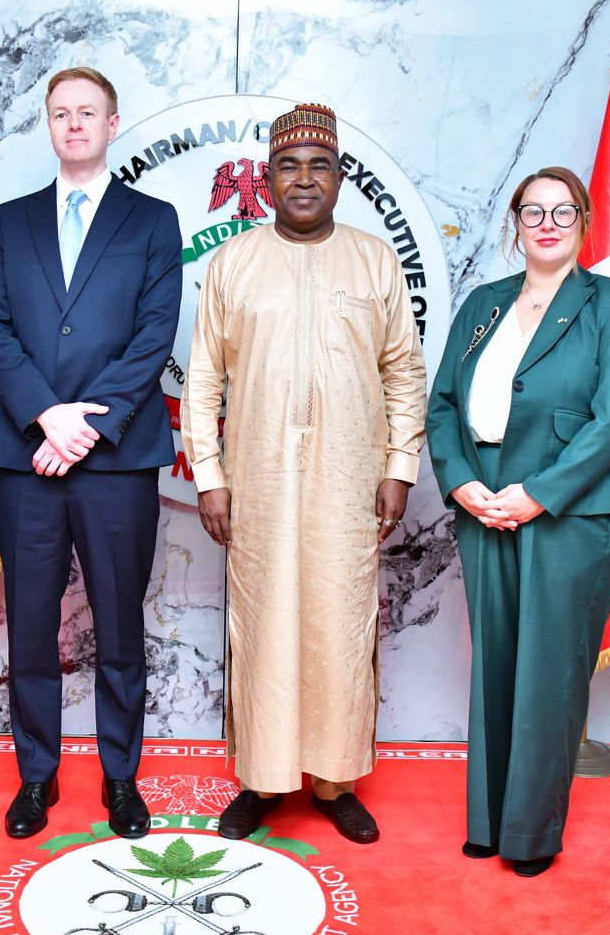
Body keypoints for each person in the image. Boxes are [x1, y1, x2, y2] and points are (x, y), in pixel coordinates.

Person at [180, 103, 427, 844]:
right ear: (268, 178)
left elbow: (403, 371)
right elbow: (203, 379)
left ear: (340, 178)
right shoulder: (234, 263)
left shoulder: (374, 260)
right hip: (256, 480)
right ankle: (262, 779)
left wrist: (400, 466)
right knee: (264, 624)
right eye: (289, 165)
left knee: (338, 623)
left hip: (349, 480)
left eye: (320, 165)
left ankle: (334, 780)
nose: (305, 179)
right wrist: (210, 477)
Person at [0, 66, 183, 840]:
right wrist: (46, 415)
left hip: (116, 459)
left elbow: (154, 334)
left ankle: (121, 778)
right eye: (60, 112)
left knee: (120, 628)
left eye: (87, 112)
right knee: (30, 625)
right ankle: (37, 775)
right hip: (29, 453)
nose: (73, 124)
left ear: (112, 123)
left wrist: (85, 427)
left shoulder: (152, 220)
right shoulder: (11, 221)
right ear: (49, 124)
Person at [425, 166, 610, 876]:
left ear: (583, 221)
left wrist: (539, 493)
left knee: (549, 671)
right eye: (533, 211)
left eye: (562, 211)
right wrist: (461, 483)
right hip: (483, 506)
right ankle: (489, 822)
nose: (547, 224)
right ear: (514, 223)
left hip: (568, 511)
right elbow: (443, 403)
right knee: (494, 663)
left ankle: (530, 835)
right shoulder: (483, 303)